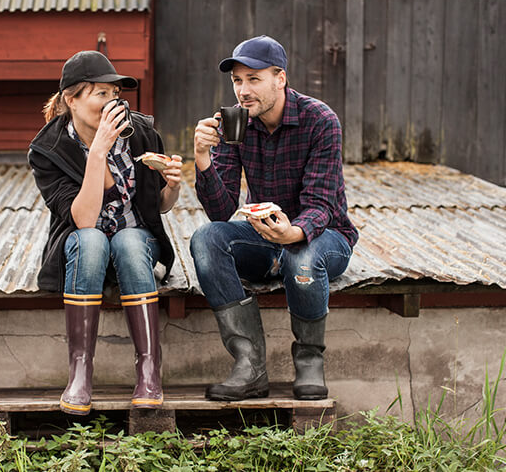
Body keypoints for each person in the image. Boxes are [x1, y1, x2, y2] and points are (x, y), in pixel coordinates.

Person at [191, 35, 358, 401]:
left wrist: (294, 232)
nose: (243, 90)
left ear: (279, 78)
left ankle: (310, 359)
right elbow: (221, 212)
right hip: (265, 236)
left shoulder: (320, 120)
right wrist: (202, 158)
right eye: (237, 80)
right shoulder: (236, 123)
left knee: (302, 254)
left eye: (253, 79)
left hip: (325, 236)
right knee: (207, 238)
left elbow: (322, 204)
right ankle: (249, 366)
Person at [28, 50, 182, 414]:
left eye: (115, 94)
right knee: (93, 238)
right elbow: (82, 220)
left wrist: (172, 186)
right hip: (85, 252)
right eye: (101, 93)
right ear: (72, 99)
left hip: (135, 247)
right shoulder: (48, 150)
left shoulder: (142, 133)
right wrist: (98, 152)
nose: (112, 101)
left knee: (129, 240)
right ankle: (80, 370)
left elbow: (156, 206)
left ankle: (148, 368)